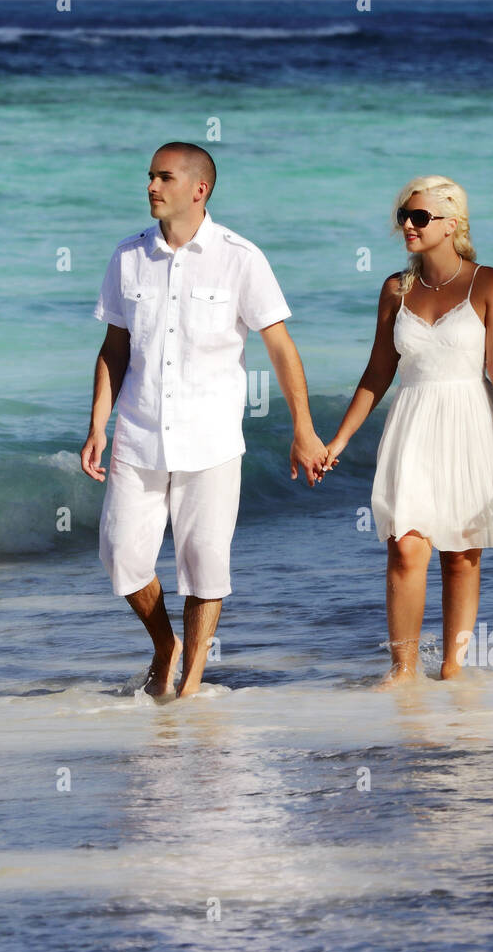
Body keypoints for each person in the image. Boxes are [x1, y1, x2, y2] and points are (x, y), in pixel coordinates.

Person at [81, 142, 328, 699]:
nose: (150, 187)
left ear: (199, 189)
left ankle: (189, 689)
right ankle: (164, 644)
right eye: (148, 177)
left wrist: (303, 429)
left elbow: (281, 348)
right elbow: (113, 347)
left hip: (212, 440)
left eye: (163, 177)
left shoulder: (241, 257)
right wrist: (99, 423)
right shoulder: (127, 256)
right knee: (122, 555)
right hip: (137, 435)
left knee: (205, 567)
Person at [323, 174, 493, 683]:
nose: (407, 224)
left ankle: (453, 670)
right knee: (405, 547)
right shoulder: (395, 289)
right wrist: (337, 440)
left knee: (460, 554)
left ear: (452, 224)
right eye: (403, 216)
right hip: (413, 425)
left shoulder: (487, 282)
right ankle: (403, 671)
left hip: (471, 423)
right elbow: (377, 373)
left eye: (419, 216)